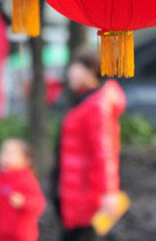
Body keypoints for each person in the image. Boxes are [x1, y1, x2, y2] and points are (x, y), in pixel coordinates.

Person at [52, 49, 127, 241]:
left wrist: (108, 192)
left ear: (90, 70)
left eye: (75, 68)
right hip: (76, 193)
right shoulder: (86, 101)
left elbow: (104, 152)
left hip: (87, 197)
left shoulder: (97, 106)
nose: (70, 73)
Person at [0, 138, 46, 241]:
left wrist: (24, 202)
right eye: (3, 152)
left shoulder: (27, 180)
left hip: (21, 237)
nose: (6, 156)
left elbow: (39, 204)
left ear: (26, 160)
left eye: (11, 153)